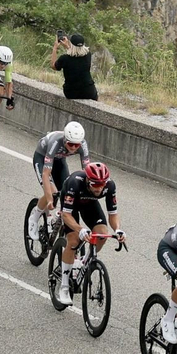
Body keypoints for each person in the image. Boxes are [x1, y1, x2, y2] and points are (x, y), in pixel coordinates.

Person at [55, 162, 124, 306]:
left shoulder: (110, 186)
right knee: (73, 241)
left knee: (102, 234)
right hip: (70, 206)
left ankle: (82, 262)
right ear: (87, 180)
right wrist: (80, 229)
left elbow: (113, 214)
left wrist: (117, 229)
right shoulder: (75, 183)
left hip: (89, 204)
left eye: (102, 185)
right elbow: (66, 215)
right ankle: (64, 286)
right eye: (95, 185)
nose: (99, 188)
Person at [29, 122, 91, 239]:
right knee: (52, 193)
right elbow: (46, 174)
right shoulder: (55, 142)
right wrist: (49, 200)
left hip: (59, 160)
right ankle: (34, 217)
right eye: (70, 144)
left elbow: (87, 172)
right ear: (65, 139)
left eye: (76, 145)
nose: (73, 148)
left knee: (66, 191)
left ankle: (51, 220)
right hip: (42, 158)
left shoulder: (83, 144)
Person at [51, 32, 97, 100]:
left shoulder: (64, 58)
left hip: (71, 93)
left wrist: (55, 48)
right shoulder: (88, 55)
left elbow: (53, 66)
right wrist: (67, 47)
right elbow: (76, 56)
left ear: (71, 44)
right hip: (88, 92)